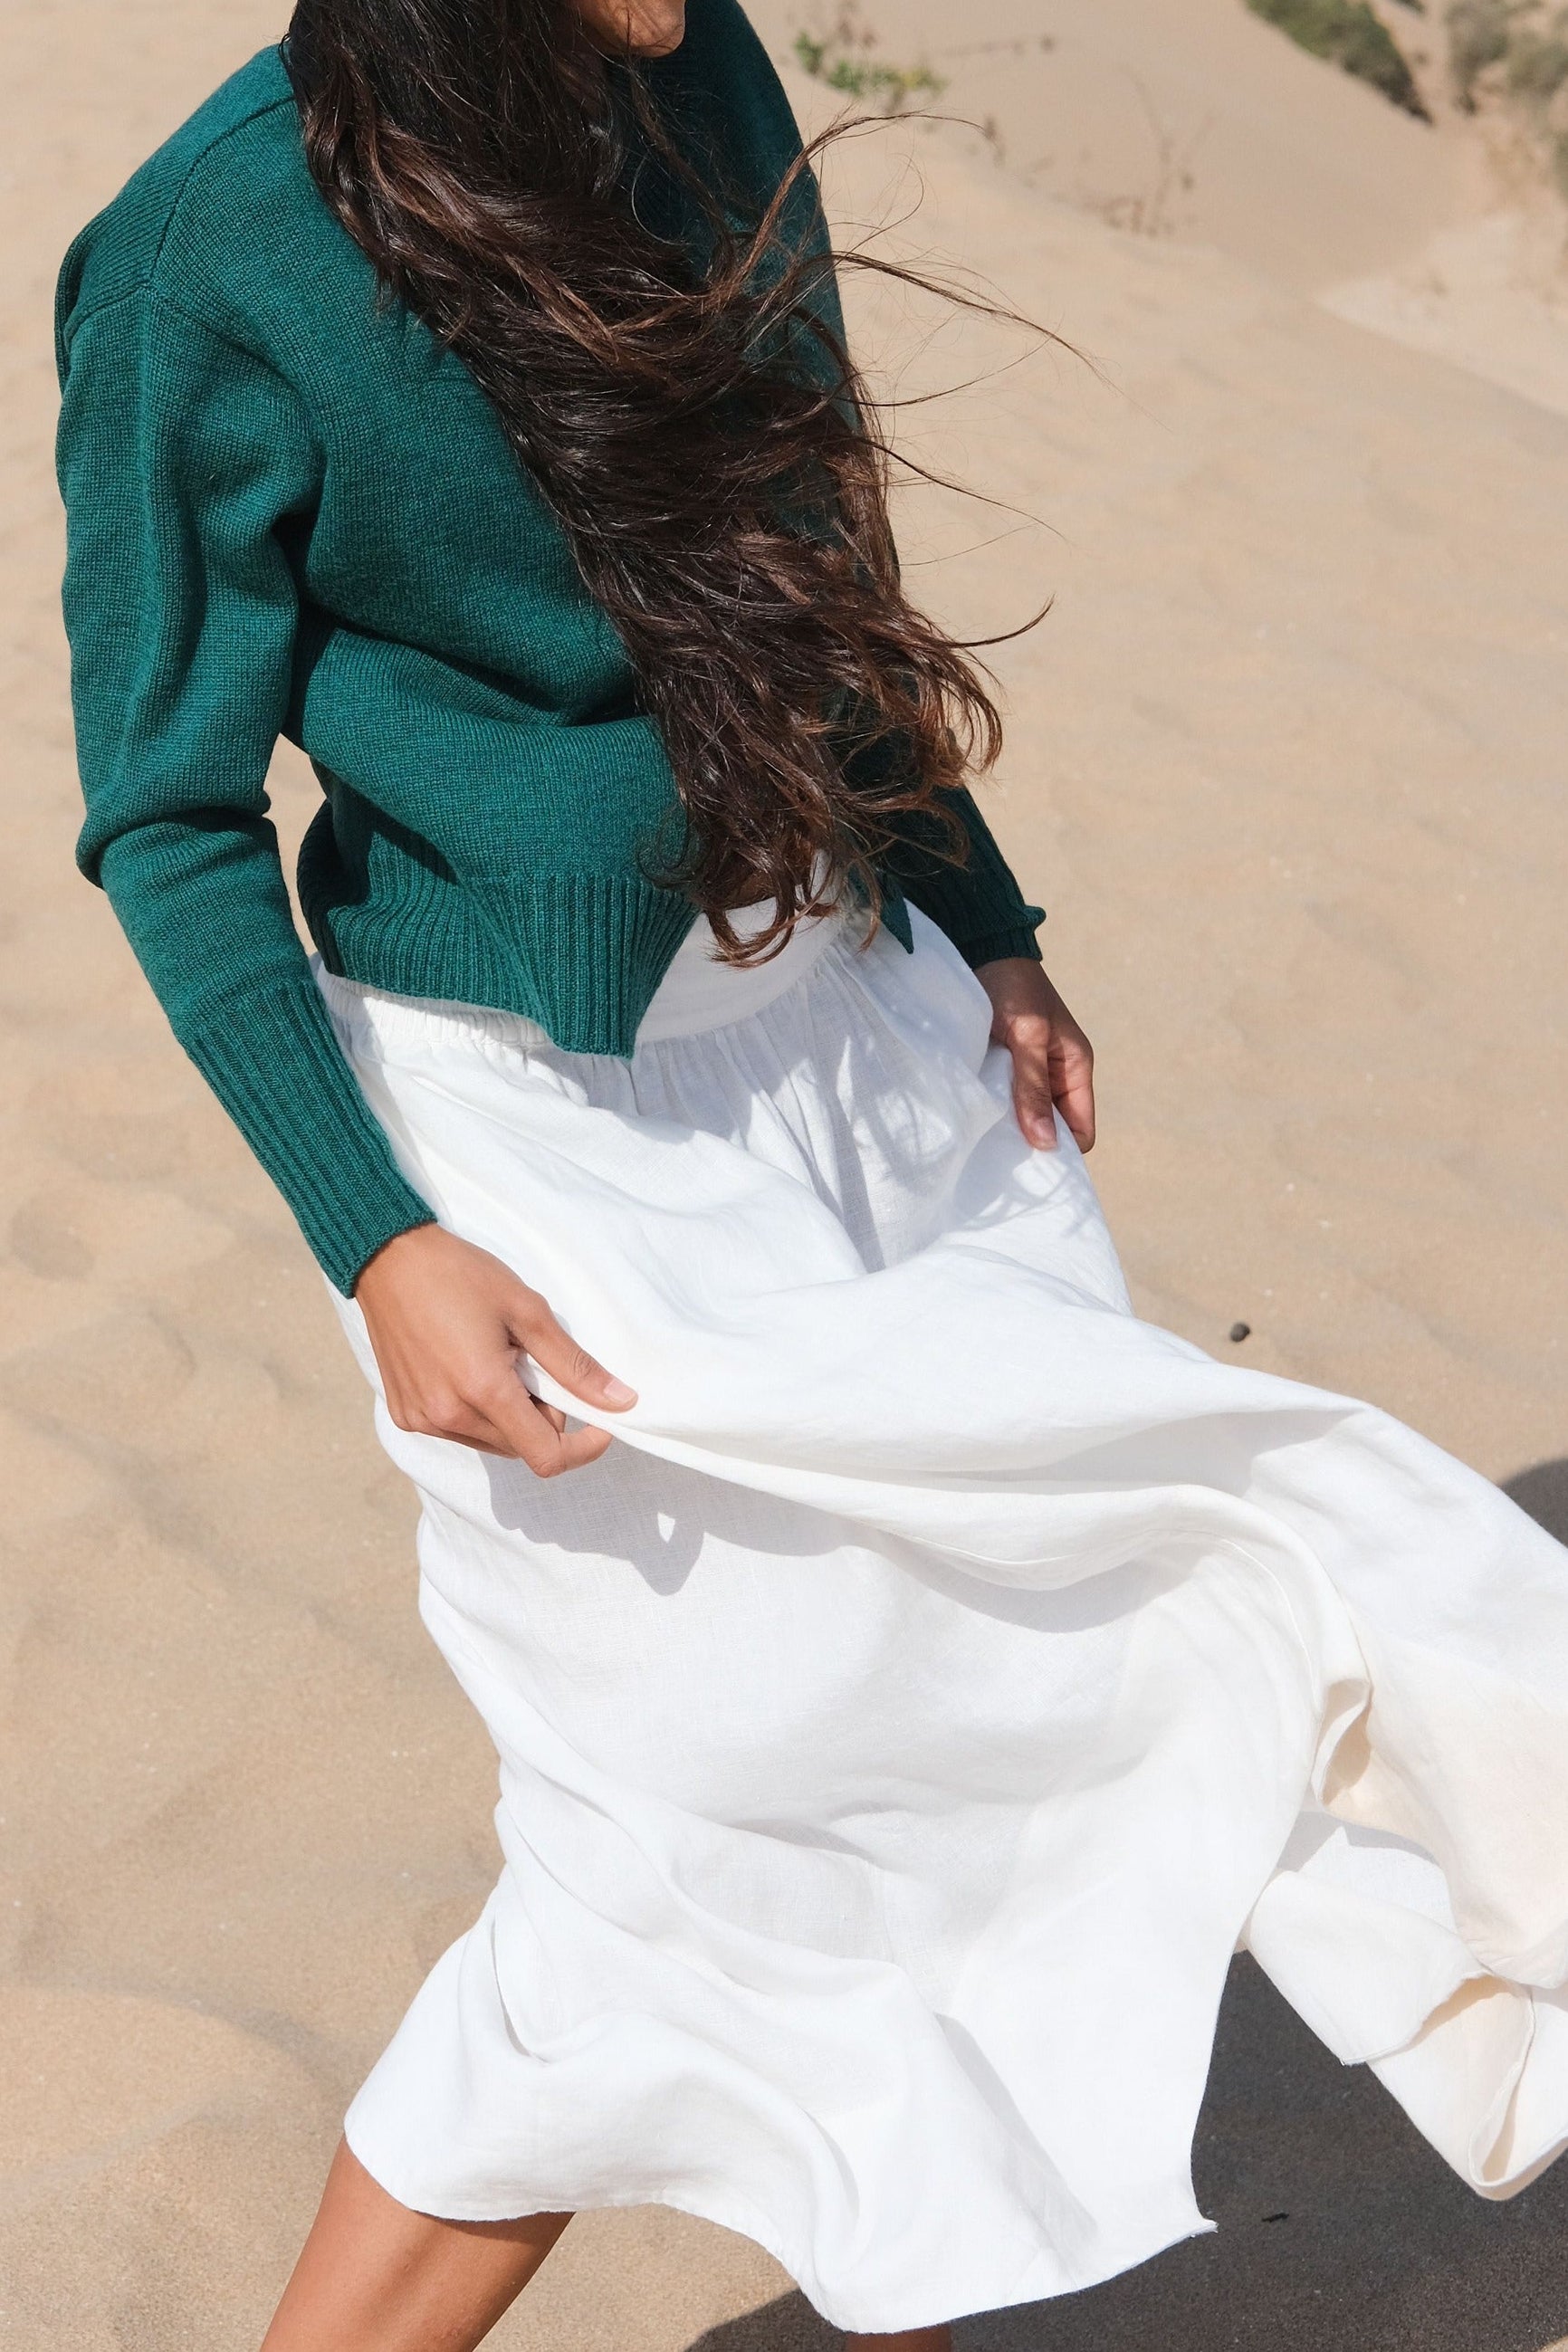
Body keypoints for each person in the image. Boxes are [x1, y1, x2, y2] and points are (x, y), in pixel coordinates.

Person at [54, 0, 1568, 2347]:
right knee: (682, 1835)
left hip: (861, 1047)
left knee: (986, 1732)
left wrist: (985, 918)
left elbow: (795, 561)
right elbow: (167, 815)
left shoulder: (702, 63)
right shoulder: (218, 245)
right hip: (529, 1140)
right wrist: (376, 1241)